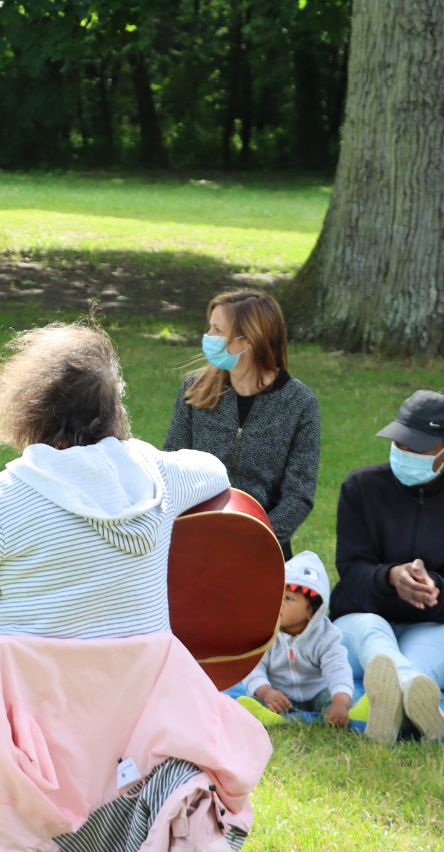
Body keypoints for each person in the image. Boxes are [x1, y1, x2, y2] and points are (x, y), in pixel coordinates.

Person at [0, 322, 230, 849]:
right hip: (132, 725)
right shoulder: (156, 473)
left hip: (24, 736)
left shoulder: (0, 499)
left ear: (29, 406)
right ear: (112, 407)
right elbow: (214, 469)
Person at [164, 289, 320, 558]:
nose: (208, 337)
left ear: (249, 339)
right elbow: (171, 466)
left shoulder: (300, 403)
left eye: (217, 329)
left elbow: (299, 495)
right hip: (193, 543)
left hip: (261, 550)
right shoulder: (194, 387)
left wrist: (254, 540)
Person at [329, 390, 444, 744]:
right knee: (372, 631)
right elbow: (351, 569)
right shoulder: (361, 487)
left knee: (424, 657)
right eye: (400, 443)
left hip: (430, 622)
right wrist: (391, 577)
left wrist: (432, 585)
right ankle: (413, 699)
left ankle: (397, 704)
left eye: (418, 447)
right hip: (360, 620)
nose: (405, 453)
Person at [235, 551, 354, 728]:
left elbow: (338, 669)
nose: (279, 603)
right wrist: (267, 691)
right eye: (276, 595)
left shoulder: (326, 636)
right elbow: (253, 667)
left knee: (333, 700)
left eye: (289, 598)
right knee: (254, 699)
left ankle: (348, 714)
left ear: (312, 611)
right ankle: (264, 715)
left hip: (316, 692)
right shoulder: (264, 632)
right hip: (278, 694)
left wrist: (340, 702)